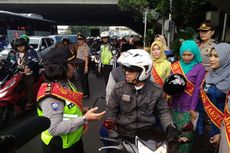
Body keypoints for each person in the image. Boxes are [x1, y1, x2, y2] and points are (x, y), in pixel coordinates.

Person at [37, 47, 106, 153]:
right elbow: (54, 129)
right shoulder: (51, 96)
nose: (75, 68)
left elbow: (66, 108)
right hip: (60, 146)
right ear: (61, 67)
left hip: (73, 140)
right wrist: (84, 118)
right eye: (72, 65)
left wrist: (82, 110)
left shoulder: (66, 83)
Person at [106, 49, 177, 146]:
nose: (126, 72)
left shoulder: (156, 90)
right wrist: (113, 135)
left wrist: (170, 126)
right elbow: (111, 111)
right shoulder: (118, 89)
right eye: (125, 69)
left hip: (149, 134)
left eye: (130, 70)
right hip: (124, 133)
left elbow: (163, 111)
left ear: (143, 71)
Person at [170, 40, 205, 153]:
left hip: (188, 107)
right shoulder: (175, 66)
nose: (186, 57)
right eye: (184, 54)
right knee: (173, 135)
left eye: (189, 55)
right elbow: (171, 84)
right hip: (174, 105)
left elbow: (196, 91)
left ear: (194, 54)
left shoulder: (199, 68)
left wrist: (192, 109)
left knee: (186, 136)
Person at [194, 43, 230, 153]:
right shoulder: (209, 74)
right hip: (201, 125)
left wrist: (222, 134)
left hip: (217, 130)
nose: (212, 59)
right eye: (211, 55)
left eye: (216, 56)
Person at [14, 37, 40, 110]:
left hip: (31, 73)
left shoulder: (31, 51)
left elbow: (35, 61)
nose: (20, 47)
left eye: (22, 46)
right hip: (20, 74)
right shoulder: (16, 54)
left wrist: (28, 67)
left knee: (28, 83)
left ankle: (30, 102)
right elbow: (14, 63)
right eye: (18, 46)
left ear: (25, 45)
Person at [76, 33, 90, 98]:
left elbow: (86, 57)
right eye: (78, 39)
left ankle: (86, 94)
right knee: (82, 80)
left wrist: (86, 67)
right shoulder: (80, 46)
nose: (79, 41)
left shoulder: (84, 47)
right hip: (80, 64)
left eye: (80, 39)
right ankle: (85, 93)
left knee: (84, 80)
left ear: (84, 40)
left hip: (83, 64)